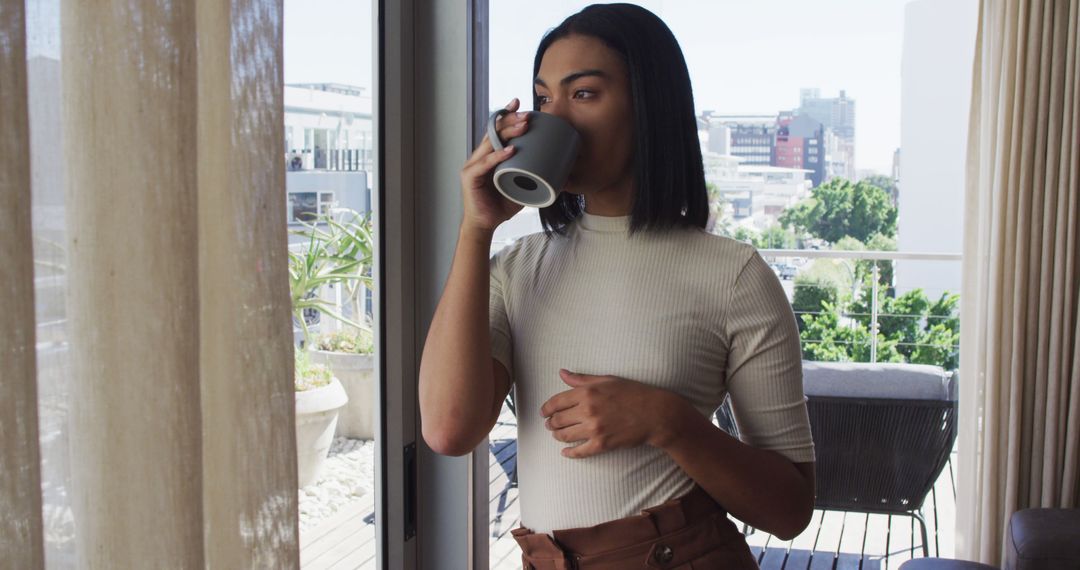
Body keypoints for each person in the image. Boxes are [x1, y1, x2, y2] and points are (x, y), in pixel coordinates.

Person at [418, 4, 815, 568]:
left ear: (649, 109)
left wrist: (667, 421)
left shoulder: (735, 276)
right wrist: (475, 229)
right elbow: (447, 430)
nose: (557, 118)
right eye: (544, 99)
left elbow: (790, 509)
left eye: (583, 94)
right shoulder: (517, 267)